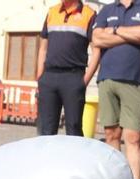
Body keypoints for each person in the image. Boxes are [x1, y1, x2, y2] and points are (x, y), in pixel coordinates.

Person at [91, 0, 140, 179]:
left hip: (135, 79)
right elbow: (97, 38)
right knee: (110, 134)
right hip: (107, 78)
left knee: (132, 137)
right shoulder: (107, 9)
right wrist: (131, 34)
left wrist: (113, 30)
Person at [35, 0, 100, 138]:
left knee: (74, 129)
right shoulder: (52, 12)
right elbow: (43, 49)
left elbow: (97, 51)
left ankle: (76, 159)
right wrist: (40, 77)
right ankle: (47, 159)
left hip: (74, 78)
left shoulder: (89, 14)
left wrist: (84, 81)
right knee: (45, 130)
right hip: (49, 77)